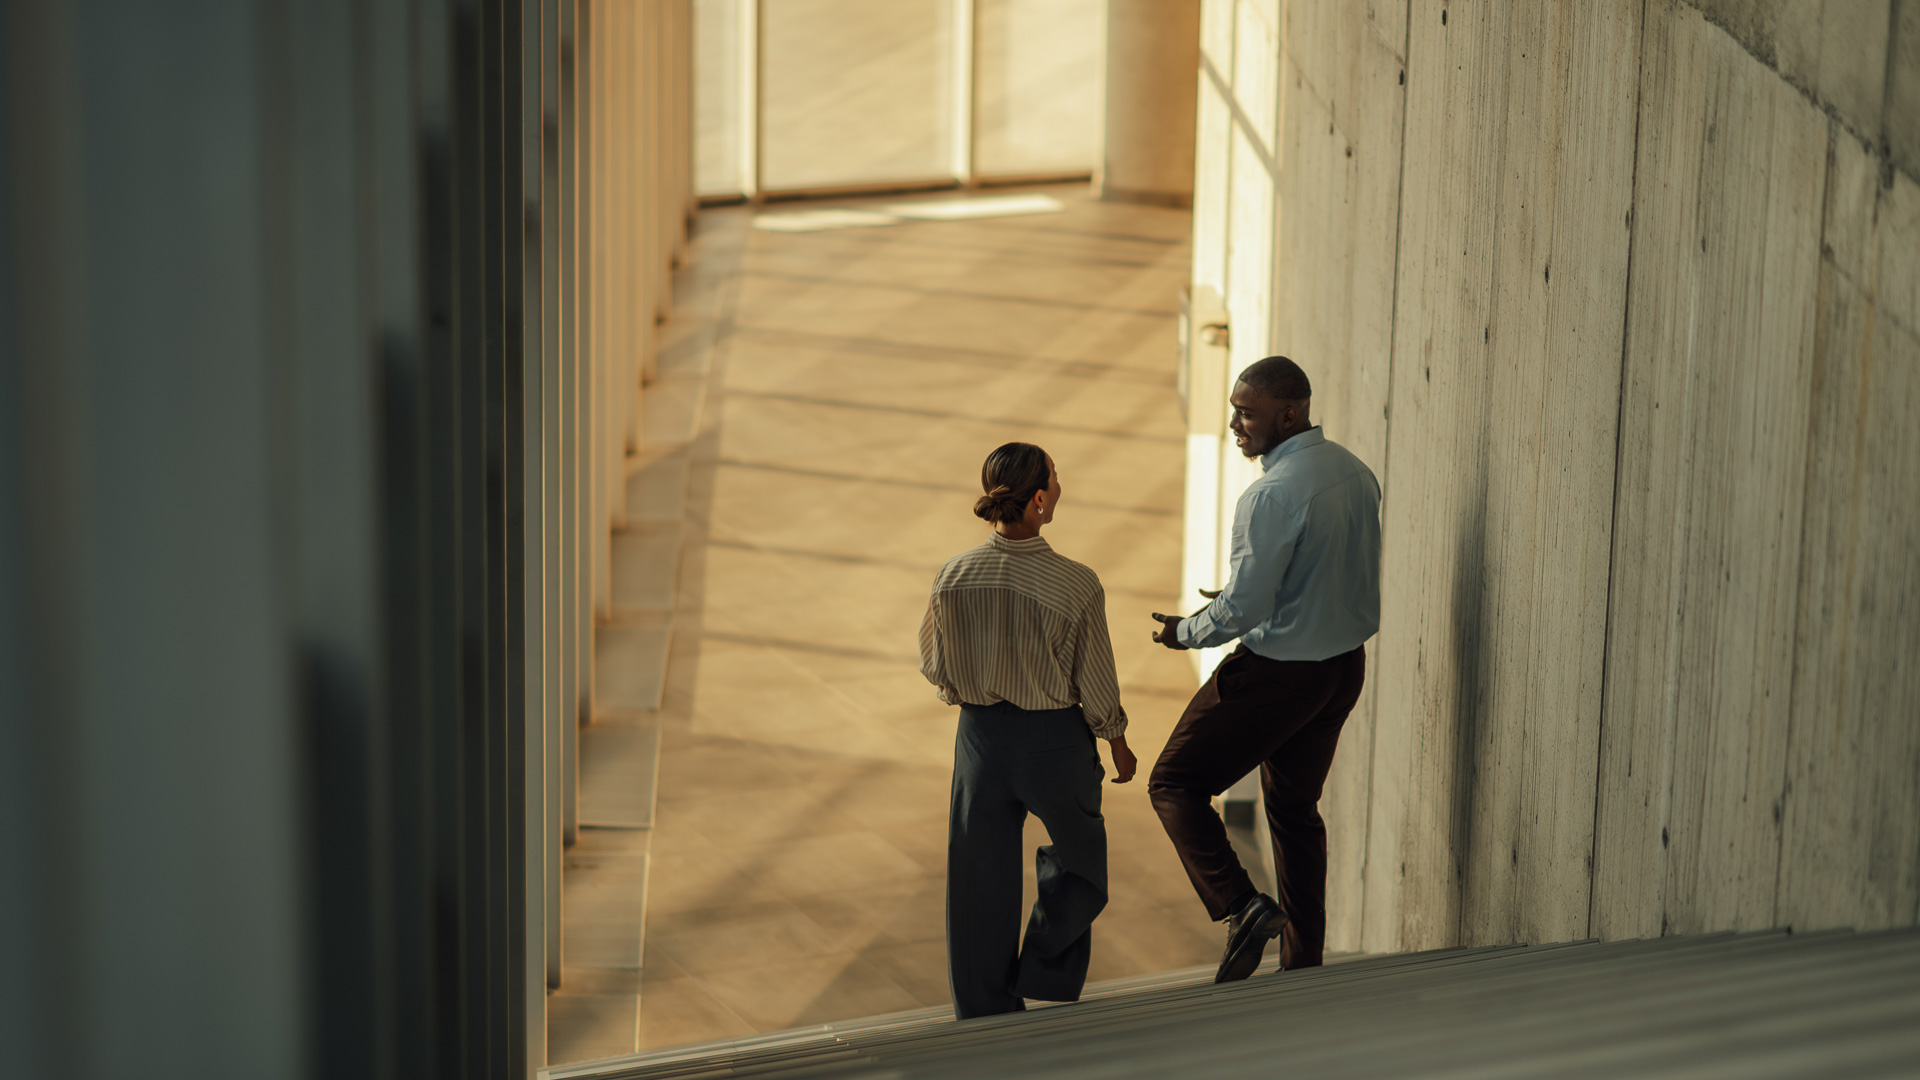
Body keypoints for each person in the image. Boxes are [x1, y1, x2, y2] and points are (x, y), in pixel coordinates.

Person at [1146, 355, 1381, 983]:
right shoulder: (1355, 473)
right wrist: (1236, 599)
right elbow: (1317, 573)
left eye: (1246, 413)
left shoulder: (1269, 495)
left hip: (1279, 675)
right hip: (1341, 669)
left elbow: (1247, 607)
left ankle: (1242, 906)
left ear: (1289, 413)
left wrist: (1185, 633)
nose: (1234, 424)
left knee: (1173, 783)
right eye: (1234, 410)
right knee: (1295, 811)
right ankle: (1303, 963)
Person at [919, 441, 1138, 1019]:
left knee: (976, 878)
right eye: (1057, 479)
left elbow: (936, 666)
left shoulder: (952, 576)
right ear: (1039, 500)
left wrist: (975, 700)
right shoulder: (1076, 584)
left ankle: (984, 1010)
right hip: (1056, 744)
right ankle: (1041, 967)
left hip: (979, 743)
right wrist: (1115, 739)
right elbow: (1096, 676)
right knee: (1081, 862)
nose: (1061, 486)